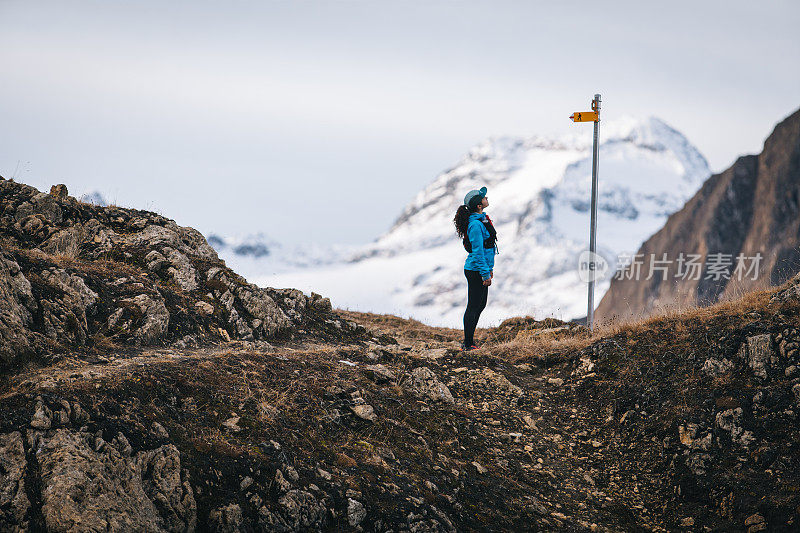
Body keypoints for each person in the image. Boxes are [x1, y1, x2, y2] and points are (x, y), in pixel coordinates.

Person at [453, 186, 498, 351]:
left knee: (481, 304)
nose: (487, 199)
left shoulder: (482, 219)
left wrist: (489, 268)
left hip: (481, 268)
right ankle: (468, 343)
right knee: (473, 305)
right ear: (479, 205)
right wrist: (485, 273)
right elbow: (478, 252)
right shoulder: (475, 226)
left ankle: (469, 341)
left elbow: (487, 250)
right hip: (475, 270)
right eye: (484, 198)